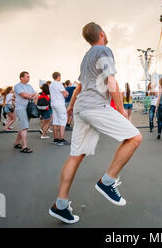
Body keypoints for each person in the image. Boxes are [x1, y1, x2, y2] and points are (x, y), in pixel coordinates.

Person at [49, 22, 142, 224]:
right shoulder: (104, 49)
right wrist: (122, 110)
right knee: (135, 137)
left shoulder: (86, 57)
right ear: (101, 33)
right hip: (95, 106)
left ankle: (61, 205)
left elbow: (79, 86)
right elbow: (111, 81)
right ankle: (107, 182)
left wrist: (71, 106)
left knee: (75, 156)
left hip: (83, 107)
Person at [13, 71, 38, 153]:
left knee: (23, 126)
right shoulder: (17, 86)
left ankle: (17, 143)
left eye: (29, 76)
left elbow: (36, 95)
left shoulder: (29, 86)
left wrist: (30, 96)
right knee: (25, 127)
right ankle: (24, 146)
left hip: (28, 108)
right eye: (27, 76)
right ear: (22, 78)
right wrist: (31, 95)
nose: (28, 78)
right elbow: (24, 95)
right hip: (21, 108)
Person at [50, 72, 69, 145]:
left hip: (53, 104)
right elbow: (65, 94)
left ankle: (55, 139)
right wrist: (67, 93)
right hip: (60, 104)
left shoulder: (51, 84)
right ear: (58, 77)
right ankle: (61, 140)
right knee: (63, 121)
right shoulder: (59, 84)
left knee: (55, 121)